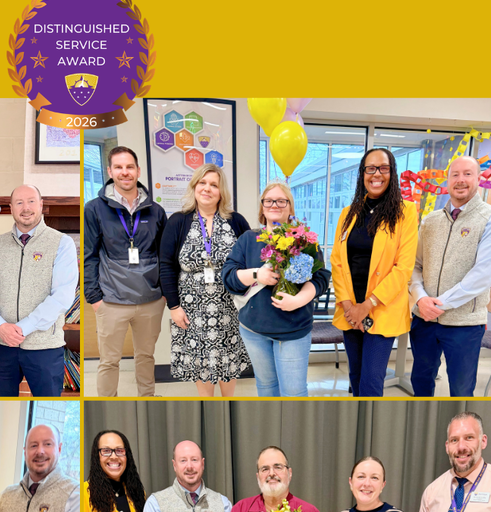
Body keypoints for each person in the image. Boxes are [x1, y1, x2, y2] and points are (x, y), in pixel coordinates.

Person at [222, 182, 330, 398]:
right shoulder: (248, 240)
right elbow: (228, 277)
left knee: (294, 392)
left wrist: (299, 300)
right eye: (269, 201)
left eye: (282, 201)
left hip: (293, 331)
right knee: (266, 387)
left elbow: (321, 278)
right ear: (262, 207)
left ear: (290, 208)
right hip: (254, 331)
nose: (275, 205)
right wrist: (256, 275)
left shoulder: (304, 241)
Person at [330, 147, 418, 396]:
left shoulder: (405, 213)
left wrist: (366, 306)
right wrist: (348, 305)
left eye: (383, 168)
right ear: (362, 173)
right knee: (355, 376)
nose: (376, 174)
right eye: (370, 168)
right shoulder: (349, 213)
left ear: (392, 172)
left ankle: (371, 432)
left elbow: (404, 268)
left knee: (371, 381)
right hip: (349, 311)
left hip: (381, 309)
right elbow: (336, 260)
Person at [159, 163, 251, 396]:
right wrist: (174, 306)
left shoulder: (236, 221)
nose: (207, 189)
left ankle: (228, 400)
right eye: (202, 183)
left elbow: (250, 262)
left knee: (228, 358)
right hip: (190, 308)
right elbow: (167, 266)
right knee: (200, 361)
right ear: (194, 186)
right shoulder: (178, 221)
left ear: (222, 192)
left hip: (230, 307)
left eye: (214, 185)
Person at [84, 146, 167, 397]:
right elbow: (88, 255)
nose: (125, 172)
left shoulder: (156, 211)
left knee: (146, 357)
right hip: (111, 300)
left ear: (138, 170)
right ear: (110, 171)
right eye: (118, 167)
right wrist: (94, 298)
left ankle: (147, 400)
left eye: (129, 167)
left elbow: (165, 256)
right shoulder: (94, 209)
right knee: (109, 362)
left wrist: (164, 293)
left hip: (151, 299)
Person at [0, 185, 78, 396]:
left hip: (44, 347)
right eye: (19, 202)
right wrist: (1, 327)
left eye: (31, 201)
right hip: (1, 344)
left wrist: (23, 328)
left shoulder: (62, 243)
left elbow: (62, 296)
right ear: (11, 208)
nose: (26, 208)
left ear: (41, 205)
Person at [410, 156, 491, 397]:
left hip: (464, 324)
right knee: (421, 383)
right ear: (447, 181)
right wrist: (420, 299)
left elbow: (483, 274)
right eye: (455, 174)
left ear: (478, 178)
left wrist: (440, 304)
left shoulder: (487, 218)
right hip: (424, 318)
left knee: (461, 390)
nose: (461, 180)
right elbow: (415, 266)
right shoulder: (430, 221)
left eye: (467, 174)